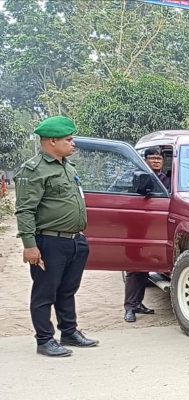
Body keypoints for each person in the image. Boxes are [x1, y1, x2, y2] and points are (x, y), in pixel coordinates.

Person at [14, 116, 99, 357]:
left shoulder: (67, 166)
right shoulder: (34, 169)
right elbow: (25, 210)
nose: (73, 144)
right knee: (45, 292)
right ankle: (44, 340)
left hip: (74, 240)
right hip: (49, 241)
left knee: (67, 290)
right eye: (68, 140)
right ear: (52, 141)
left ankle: (69, 332)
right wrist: (29, 246)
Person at [123, 147, 170, 323]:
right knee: (134, 268)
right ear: (145, 159)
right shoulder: (136, 176)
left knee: (145, 268)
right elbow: (128, 198)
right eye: (152, 158)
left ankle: (138, 303)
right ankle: (129, 307)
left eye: (159, 158)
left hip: (155, 228)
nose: (156, 161)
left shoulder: (166, 179)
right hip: (137, 228)